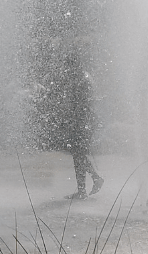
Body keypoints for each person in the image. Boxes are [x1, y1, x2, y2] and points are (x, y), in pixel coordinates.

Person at [60, 54, 103, 200]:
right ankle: (88, 185)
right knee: (78, 154)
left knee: (78, 153)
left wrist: (74, 121)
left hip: (83, 121)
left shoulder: (82, 80)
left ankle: (87, 186)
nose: (66, 70)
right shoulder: (83, 78)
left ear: (73, 66)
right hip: (83, 120)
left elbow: (82, 104)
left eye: (68, 66)